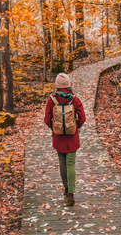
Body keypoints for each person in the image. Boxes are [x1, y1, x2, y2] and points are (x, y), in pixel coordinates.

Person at [44, 73, 86, 206]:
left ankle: (66, 188)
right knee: (71, 164)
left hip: (58, 137)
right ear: (69, 85)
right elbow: (83, 118)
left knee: (62, 163)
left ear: (56, 86)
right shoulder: (75, 99)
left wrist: (55, 129)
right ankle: (72, 194)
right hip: (72, 136)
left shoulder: (51, 100)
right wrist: (75, 126)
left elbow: (46, 120)